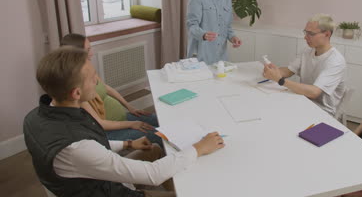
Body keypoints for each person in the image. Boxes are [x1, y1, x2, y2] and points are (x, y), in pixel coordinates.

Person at [23, 47, 224, 197]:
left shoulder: (36, 117)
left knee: (154, 149)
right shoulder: (76, 148)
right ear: (76, 93)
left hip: (90, 177)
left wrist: (128, 144)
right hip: (107, 190)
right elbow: (152, 174)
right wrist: (199, 147)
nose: (97, 81)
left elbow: (90, 145)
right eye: (93, 78)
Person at [61, 33, 161, 145]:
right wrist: (132, 124)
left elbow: (106, 88)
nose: (92, 53)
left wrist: (129, 107)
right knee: (158, 134)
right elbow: (99, 123)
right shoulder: (77, 87)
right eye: (88, 50)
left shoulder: (87, 68)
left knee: (160, 119)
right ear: (76, 53)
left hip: (121, 118)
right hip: (109, 131)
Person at [262, 14, 346, 116]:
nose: (305, 37)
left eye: (311, 34)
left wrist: (280, 80)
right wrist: (274, 72)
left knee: (277, 112)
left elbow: (314, 92)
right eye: (306, 32)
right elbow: (289, 71)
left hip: (322, 110)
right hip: (303, 99)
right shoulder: (308, 50)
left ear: (327, 34)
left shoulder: (335, 61)